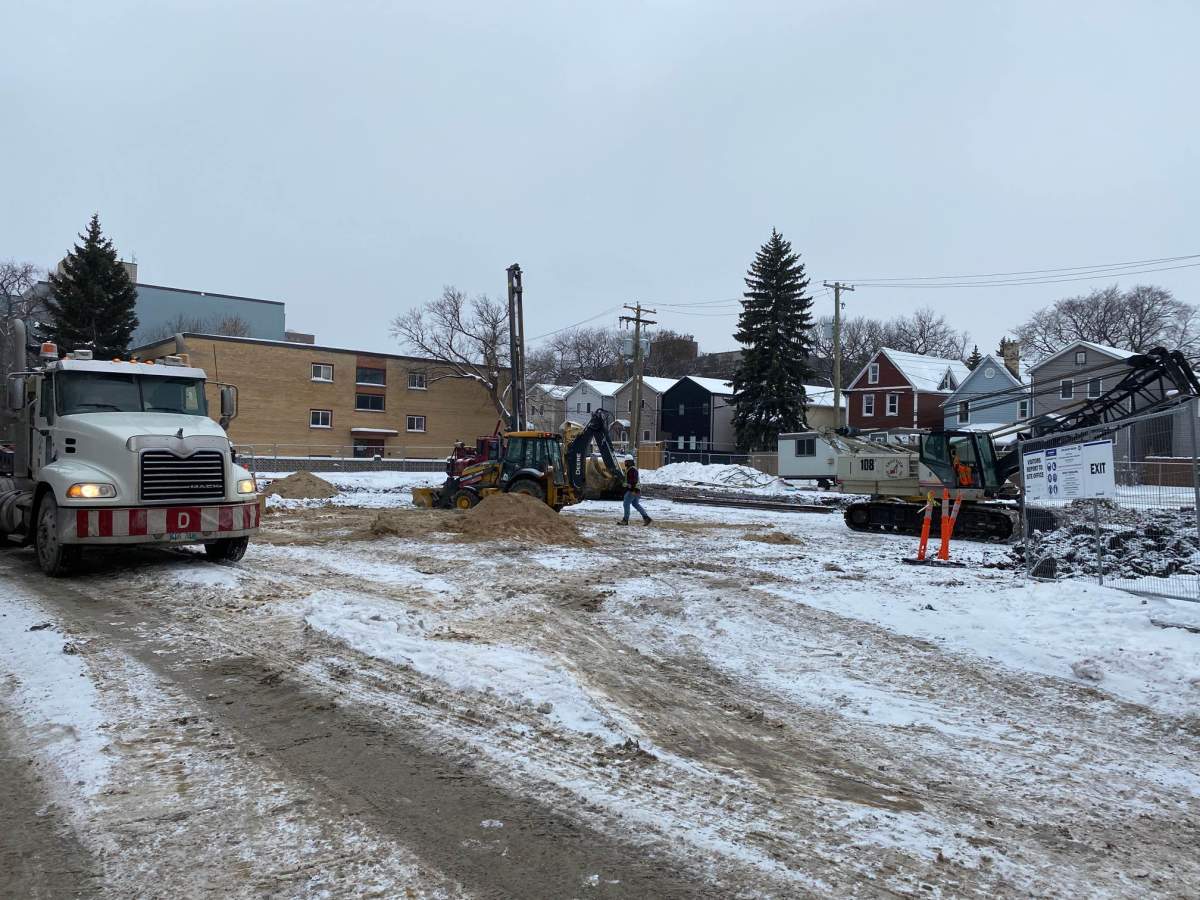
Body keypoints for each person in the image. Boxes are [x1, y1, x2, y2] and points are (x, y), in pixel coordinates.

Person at [619, 459, 652, 525]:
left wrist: (633, 489)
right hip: (637, 490)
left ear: (629, 462)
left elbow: (634, 481)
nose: (625, 463)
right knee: (635, 504)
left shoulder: (632, 470)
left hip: (633, 490)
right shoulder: (632, 469)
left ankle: (625, 520)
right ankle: (646, 518)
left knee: (626, 503)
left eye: (626, 462)